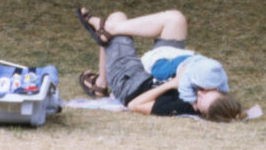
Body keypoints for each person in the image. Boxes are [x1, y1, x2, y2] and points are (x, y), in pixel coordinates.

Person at [75, 7, 244, 122]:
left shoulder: (183, 105)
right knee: (176, 20)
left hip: (132, 83)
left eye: (201, 102)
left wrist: (173, 83)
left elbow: (134, 105)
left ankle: (101, 82)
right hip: (162, 67)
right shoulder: (211, 78)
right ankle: (110, 30)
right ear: (221, 91)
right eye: (207, 92)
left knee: (117, 16)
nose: (199, 93)